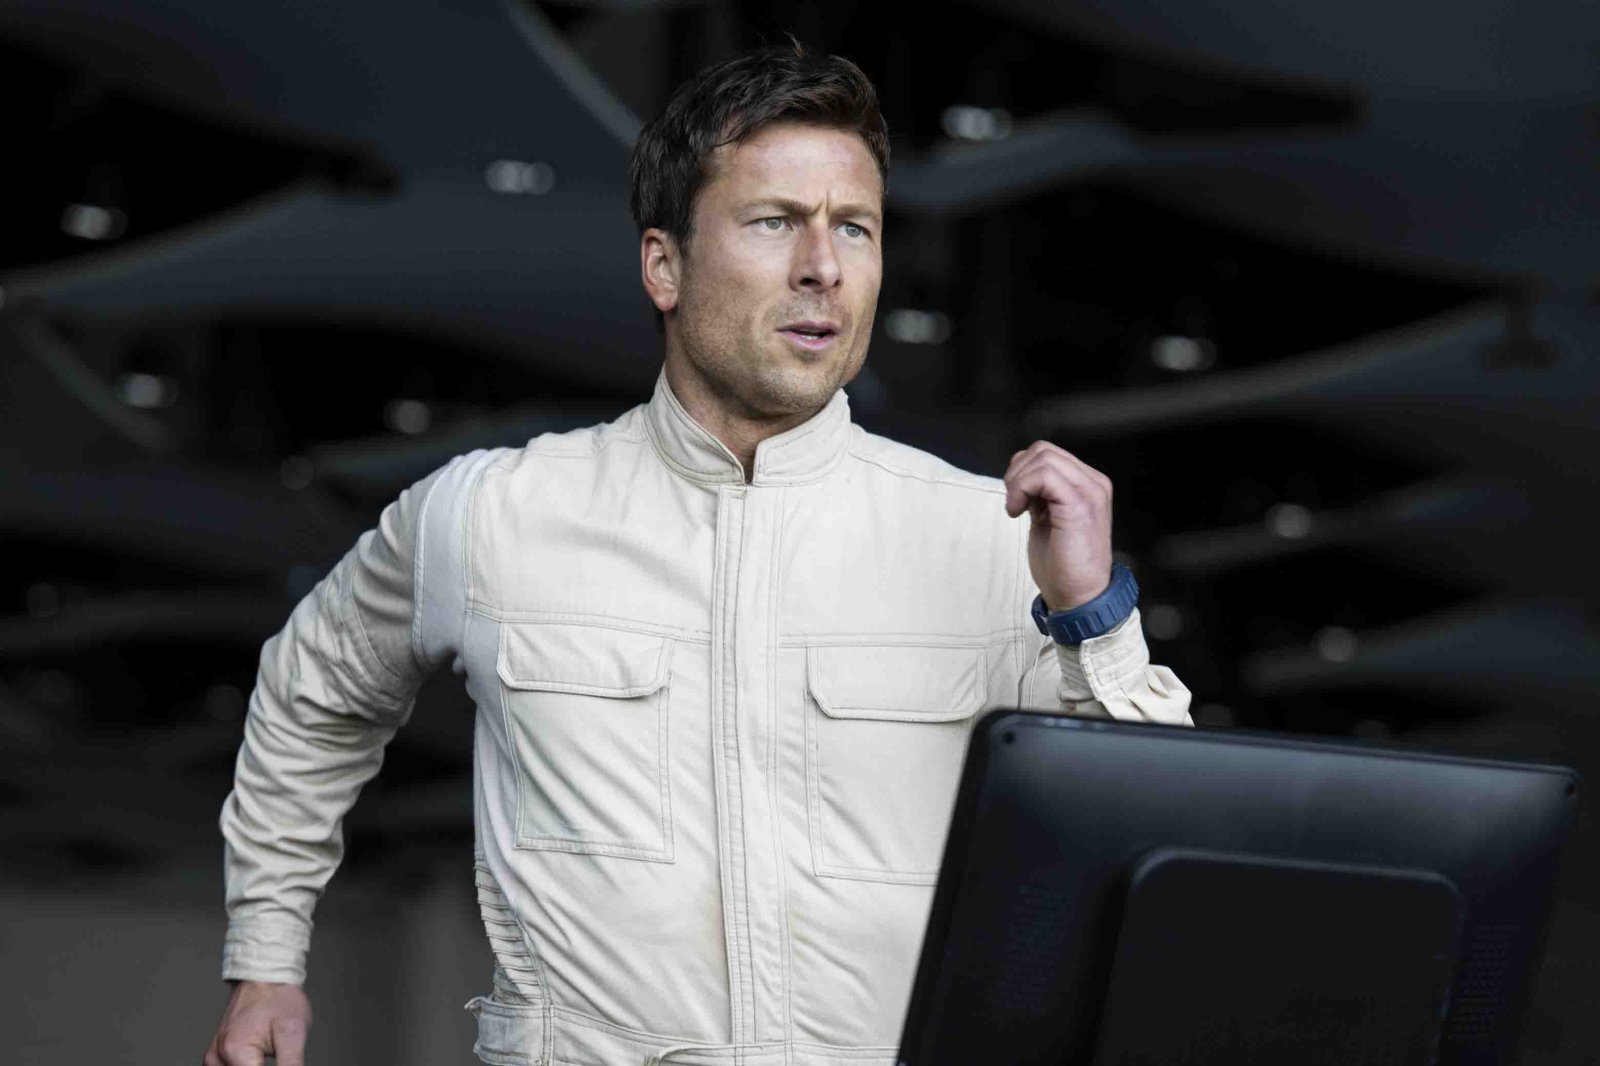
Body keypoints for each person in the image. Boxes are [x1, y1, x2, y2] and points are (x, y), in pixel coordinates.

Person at [203, 40, 1192, 1066]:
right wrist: (266, 959)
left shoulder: (990, 539)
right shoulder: (492, 514)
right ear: (663, 266)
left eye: (854, 227)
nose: (823, 267)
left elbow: (1153, 836)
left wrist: (1092, 618)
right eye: (774, 222)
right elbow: (311, 693)